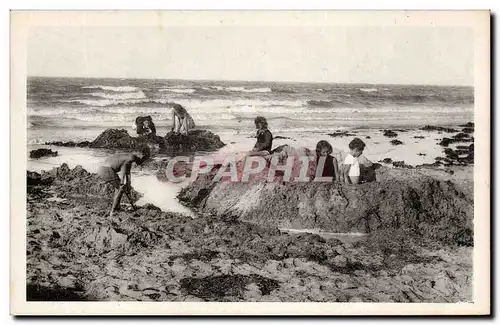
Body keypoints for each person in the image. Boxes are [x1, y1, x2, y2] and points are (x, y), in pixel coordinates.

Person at [97, 146, 151, 217]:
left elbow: (127, 172)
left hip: (102, 168)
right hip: (105, 170)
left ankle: (117, 207)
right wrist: (122, 182)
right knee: (120, 188)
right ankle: (113, 210)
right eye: (145, 159)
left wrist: (129, 183)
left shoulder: (130, 157)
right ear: (142, 155)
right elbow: (124, 170)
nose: (142, 162)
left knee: (119, 188)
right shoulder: (132, 158)